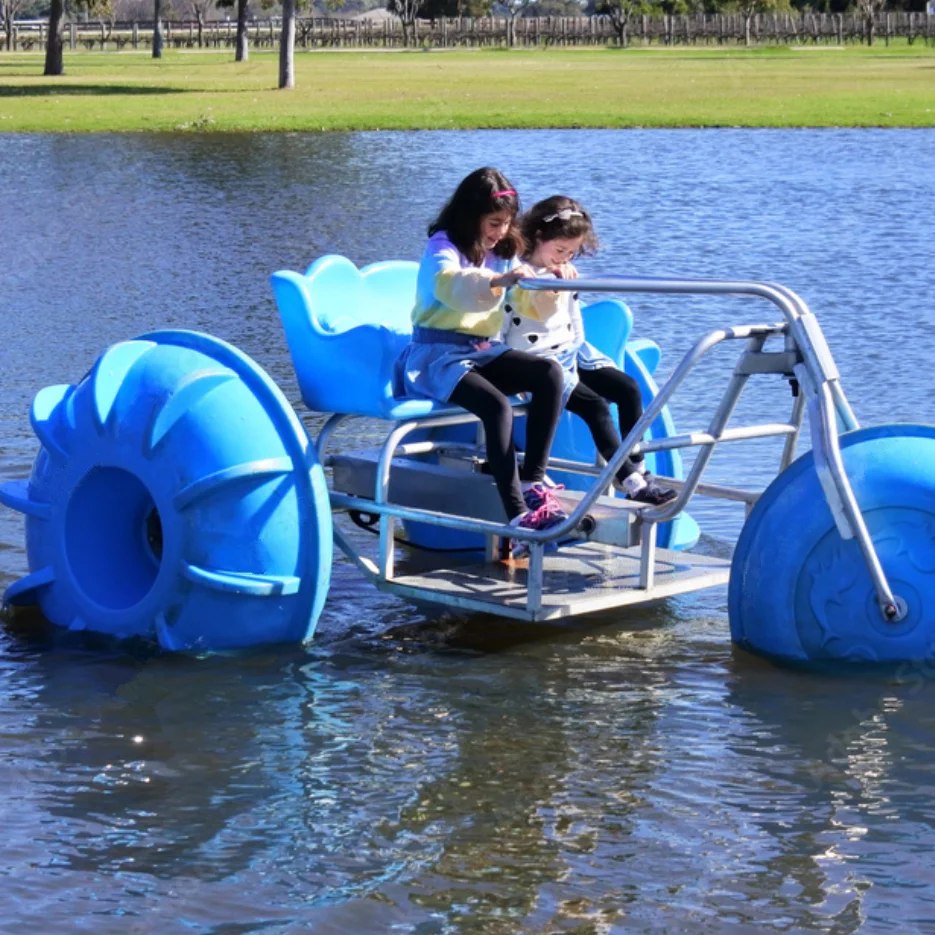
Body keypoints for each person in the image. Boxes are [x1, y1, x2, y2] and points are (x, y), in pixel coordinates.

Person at [393, 168, 569, 554]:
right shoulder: (442, 245)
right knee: (496, 406)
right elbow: (450, 284)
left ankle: (532, 481)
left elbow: (527, 303)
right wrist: (494, 282)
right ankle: (518, 516)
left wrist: (552, 283)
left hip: (481, 350)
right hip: (436, 355)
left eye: (507, 224)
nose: (500, 232)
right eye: (494, 223)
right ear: (470, 215)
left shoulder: (502, 253)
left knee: (549, 374)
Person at [501, 195, 677, 506]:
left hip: (572, 350)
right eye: (559, 250)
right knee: (595, 407)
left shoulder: (564, 271)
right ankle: (631, 483)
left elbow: (573, 317)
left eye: (570, 252)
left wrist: (582, 348)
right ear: (538, 236)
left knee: (627, 388)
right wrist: (555, 285)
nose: (564, 258)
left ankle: (637, 465)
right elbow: (528, 312)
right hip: (539, 360)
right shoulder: (520, 272)